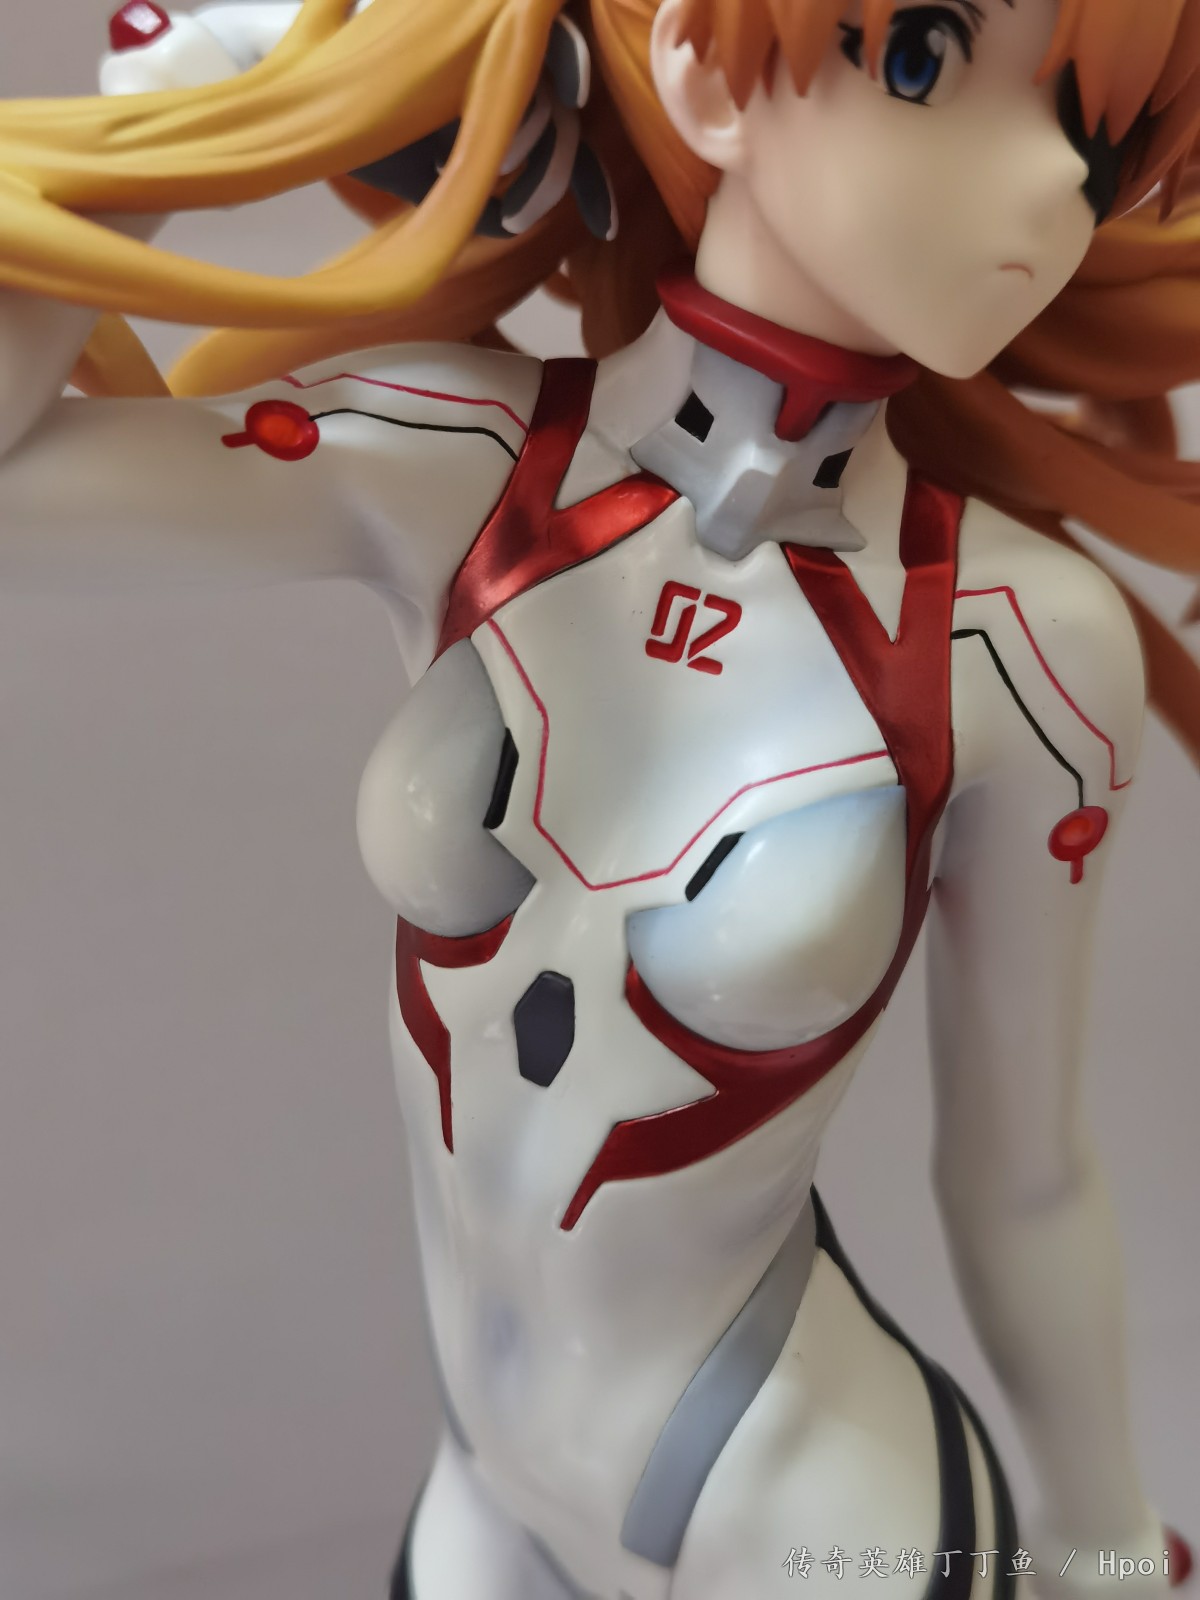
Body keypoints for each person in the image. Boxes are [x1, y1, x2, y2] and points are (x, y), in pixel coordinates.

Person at [0, 1, 1198, 1595]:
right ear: (705, 70)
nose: (1047, 185)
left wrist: (1106, 1550)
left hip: (814, 1525)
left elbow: (1023, 1175)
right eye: (921, 58)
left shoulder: (1021, 650)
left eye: (1092, 144)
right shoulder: (463, 460)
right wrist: (197, 102)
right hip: (488, 1502)